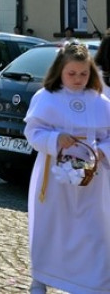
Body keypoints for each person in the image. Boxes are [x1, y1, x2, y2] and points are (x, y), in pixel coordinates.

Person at [23, 42, 110, 293]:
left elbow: (107, 137)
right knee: (51, 228)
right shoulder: (47, 98)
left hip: (92, 179)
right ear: (60, 71)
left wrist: (100, 152)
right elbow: (33, 131)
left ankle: (92, 284)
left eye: (83, 74)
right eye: (72, 74)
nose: (78, 79)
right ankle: (41, 277)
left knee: (94, 230)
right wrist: (55, 139)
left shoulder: (99, 101)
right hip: (54, 179)